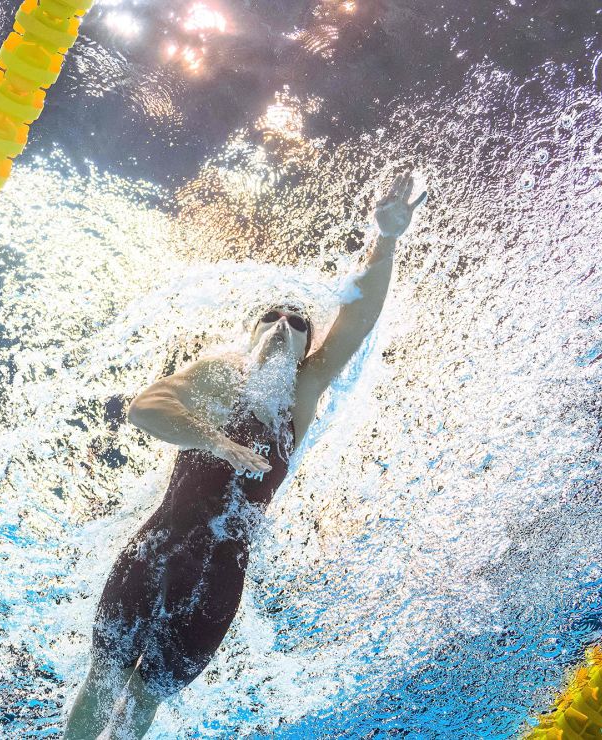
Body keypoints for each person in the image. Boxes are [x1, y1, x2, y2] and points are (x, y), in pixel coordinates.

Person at [64, 171, 427, 739]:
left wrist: (386, 240)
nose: (284, 326)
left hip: (219, 580)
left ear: (308, 347)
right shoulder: (218, 377)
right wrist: (214, 440)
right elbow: (145, 408)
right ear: (249, 332)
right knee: (105, 677)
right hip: (158, 548)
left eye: (298, 324)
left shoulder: (301, 395)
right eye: (272, 318)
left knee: (140, 703)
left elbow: (356, 322)